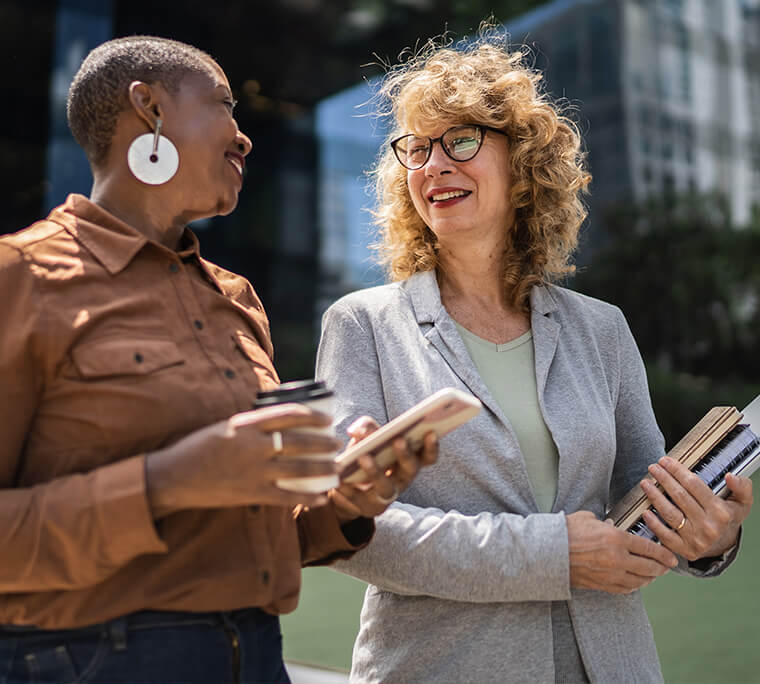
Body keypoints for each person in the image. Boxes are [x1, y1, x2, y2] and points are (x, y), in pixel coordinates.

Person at [315, 31, 754, 683]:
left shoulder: (601, 330)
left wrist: (710, 535)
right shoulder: (362, 325)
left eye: (461, 140)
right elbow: (350, 530)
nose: (433, 164)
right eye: (417, 147)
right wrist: (554, 554)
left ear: (522, 167)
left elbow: (646, 495)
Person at [0, 36, 436, 684]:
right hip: (92, 661)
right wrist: (165, 481)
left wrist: (347, 501)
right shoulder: (21, 279)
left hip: (257, 657)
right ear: (147, 110)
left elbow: (259, 532)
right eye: (224, 106)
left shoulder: (235, 299)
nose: (244, 137)